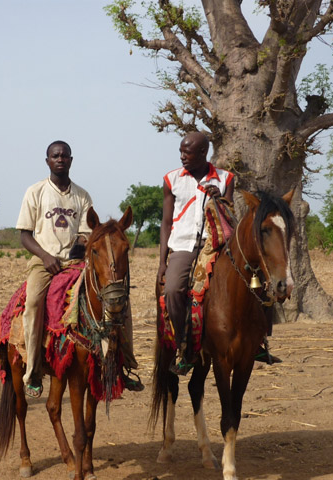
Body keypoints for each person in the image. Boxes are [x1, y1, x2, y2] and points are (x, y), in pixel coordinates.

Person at [17, 140, 143, 398]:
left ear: (71, 160)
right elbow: (24, 235)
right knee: (33, 303)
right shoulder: (36, 191)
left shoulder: (82, 195)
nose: (60, 159)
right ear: (48, 161)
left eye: (64, 155)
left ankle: (125, 364)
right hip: (44, 263)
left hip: (77, 263)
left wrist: (81, 242)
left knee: (115, 298)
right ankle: (33, 369)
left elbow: (89, 232)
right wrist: (45, 255)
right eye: (55, 155)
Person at [158, 131, 235, 375]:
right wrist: (163, 262)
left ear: (203, 152)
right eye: (181, 151)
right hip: (182, 245)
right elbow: (166, 222)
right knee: (173, 289)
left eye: (187, 152)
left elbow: (230, 216)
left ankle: (259, 341)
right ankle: (185, 345)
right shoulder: (172, 179)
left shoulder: (225, 178)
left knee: (255, 279)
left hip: (216, 244)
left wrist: (220, 199)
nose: (182, 156)